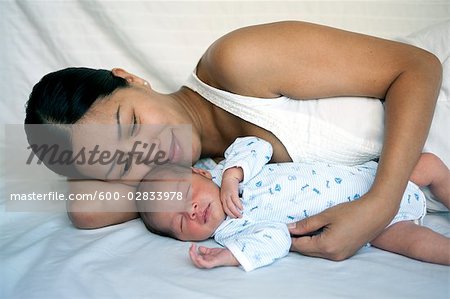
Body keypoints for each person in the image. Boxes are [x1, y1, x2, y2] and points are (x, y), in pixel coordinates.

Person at [24, 21, 443, 261]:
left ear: (130, 79)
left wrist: (379, 205)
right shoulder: (205, 179)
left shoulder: (236, 62)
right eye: (121, 164)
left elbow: (419, 67)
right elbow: (83, 208)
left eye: (131, 124)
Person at [136, 136, 450, 271]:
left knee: (430, 165)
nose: (190, 211)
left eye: (185, 194)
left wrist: (232, 175)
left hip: (374, 177)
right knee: (415, 243)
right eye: (179, 222)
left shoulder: (231, 170)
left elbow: (258, 145)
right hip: (370, 226)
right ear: (181, 239)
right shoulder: (231, 232)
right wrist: (230, 256)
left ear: (199, 172)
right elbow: (276, 239)